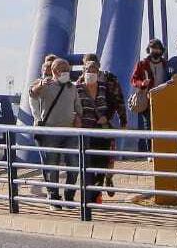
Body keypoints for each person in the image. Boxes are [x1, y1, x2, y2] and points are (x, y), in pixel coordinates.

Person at [28, 56, 81, 207]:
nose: (66, 72)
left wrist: (78, 117)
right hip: (50, 133)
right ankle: (53, 197)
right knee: (51, 165)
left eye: (67, 69)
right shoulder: (45, 85)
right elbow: (32, 93)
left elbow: (78, 107)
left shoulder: (72, 88)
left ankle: (69, 195)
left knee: (74, 164)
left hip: (69, 132)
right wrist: (40, 85)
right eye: (63, 70)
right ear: (54, 71)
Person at [75, 53, 127, 203]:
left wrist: (122, 119)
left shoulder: (109, 79)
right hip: (87, 128)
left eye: (94, 66)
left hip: (103, 124)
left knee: (106, 158)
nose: (90, 70)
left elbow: (117, 99)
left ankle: (106, 179)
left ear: (98, 66)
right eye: (87, 66)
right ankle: (93, 194)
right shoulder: (79, 83)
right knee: (90, 161)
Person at [130, 39, 170, 144]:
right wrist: (142, 83)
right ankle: (151, 151)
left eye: (158, 48)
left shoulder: (166, 64)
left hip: (163, 99)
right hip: (147, 99)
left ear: (161, 50)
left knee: (163, 126)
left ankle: (162, 148)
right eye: (153, 48)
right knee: (148, 126)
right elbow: (134, 79)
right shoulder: (142, 64)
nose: (155, 51)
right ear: (149, 50)